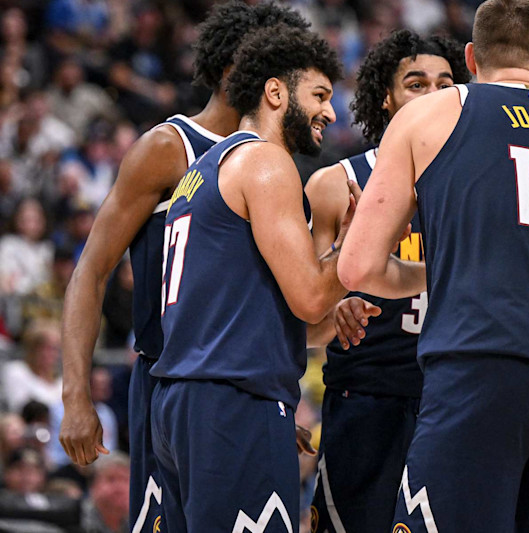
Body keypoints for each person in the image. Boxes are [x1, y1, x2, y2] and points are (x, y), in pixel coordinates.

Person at [338, 0, 529, 529]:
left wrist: (436, 274)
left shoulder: (431, 114)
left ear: (472, 58)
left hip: (484, 361)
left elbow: (357, 267)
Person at [58, 4, 311, 533]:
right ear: (231, 70)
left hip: (226, 392)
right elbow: (92, 270)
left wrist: (259, 398)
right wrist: (75, 394)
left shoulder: (269, 159)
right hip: (167, 382)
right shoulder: (169, 147)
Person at [150, 25, 346, 532]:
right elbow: (308, 296)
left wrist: (331, 317)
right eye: (320, 95)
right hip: (230, 404)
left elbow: (269, 315)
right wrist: (359, 240)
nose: (330, 111)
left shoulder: (203, 170)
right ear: (276, 92)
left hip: (184, 403)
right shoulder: (265, 162)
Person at [304, 29, 471, 533]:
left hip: (455, 399)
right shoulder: (336, 185)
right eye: (416, 84)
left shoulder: (476, 185)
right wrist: (335, 311)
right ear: (386, 97)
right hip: (367, 397)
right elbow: (308, 327)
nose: (433, 95)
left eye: (445, 84)